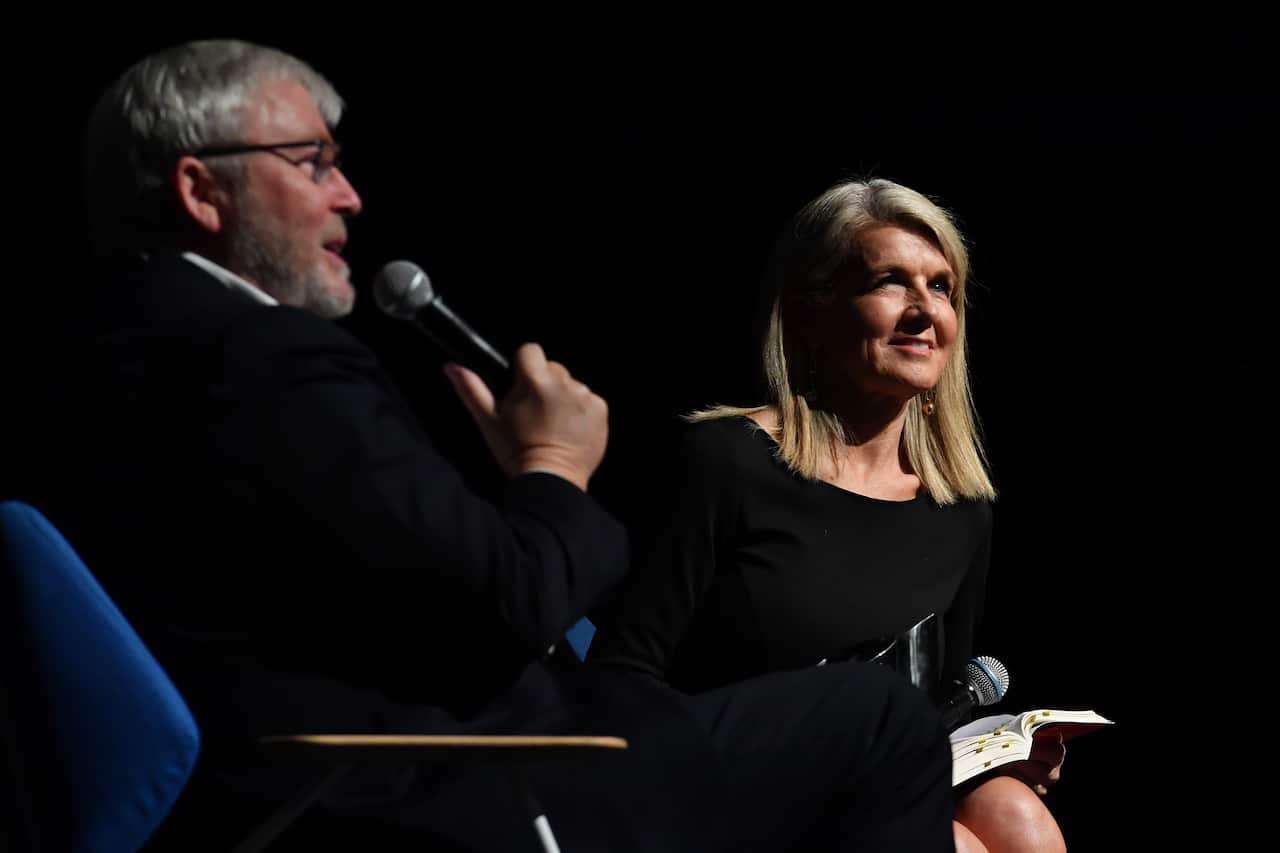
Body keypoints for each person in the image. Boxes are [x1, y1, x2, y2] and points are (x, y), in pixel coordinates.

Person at [8, 41, 960, 851]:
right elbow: (507, 605)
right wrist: (553, 465)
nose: (348, 194)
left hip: (312, 774)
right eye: (310, 161)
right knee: (881, 724)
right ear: (199, 188)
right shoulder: (261, 360)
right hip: (447, 787)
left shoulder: (85, 355)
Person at [587, 178, 1068, 852]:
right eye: (889, 282)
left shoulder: (961, 509)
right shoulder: (726, 461)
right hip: (722, 792)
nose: (923, 310)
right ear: (813, 313)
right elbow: (619, 676)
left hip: (869, 794)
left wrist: (993, 754)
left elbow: (935, 711)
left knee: (1015, 814)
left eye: (940, 287)